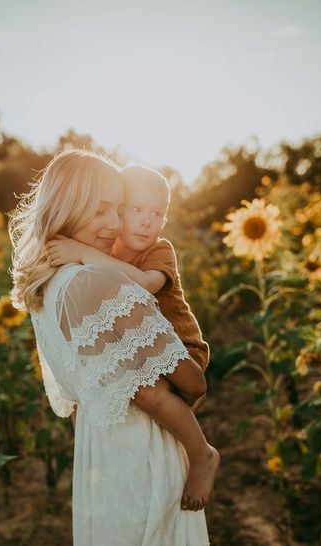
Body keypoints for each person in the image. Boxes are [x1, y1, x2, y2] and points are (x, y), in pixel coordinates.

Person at [9, 149, 225, 546]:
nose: (114, 223)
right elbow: (190, 382)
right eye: (101, 209)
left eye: (118, 209)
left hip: (99, 463)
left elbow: (74, 398)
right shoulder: (96, 284)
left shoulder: (47, 285)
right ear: (68, 207)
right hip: (140, 458)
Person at [45, 163, 218, 511]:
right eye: (136, 210)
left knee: (149, 394)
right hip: (147, 347)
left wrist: (84, 255)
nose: (145, 221)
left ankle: (203, 453)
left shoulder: (158, 250)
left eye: (156, 214)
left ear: (165, 221)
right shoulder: (108, 250)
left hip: (182, 347)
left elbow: (145, 284)